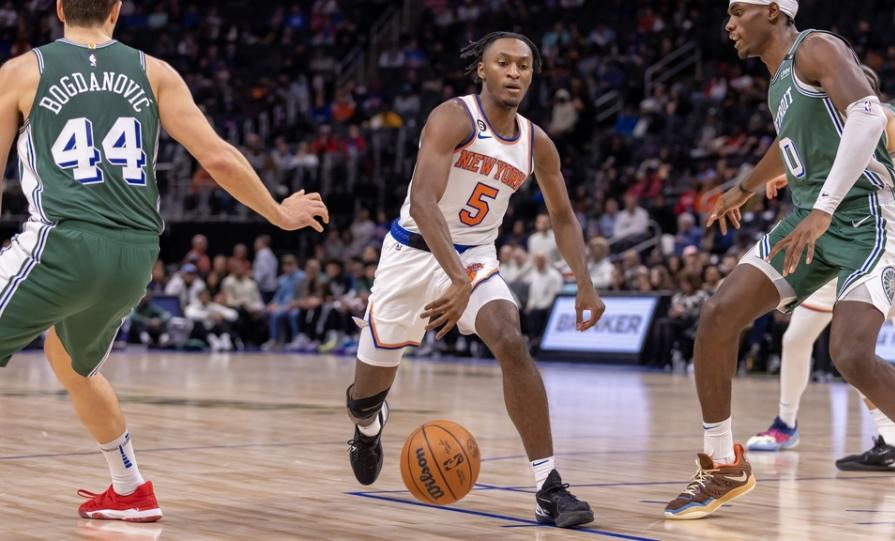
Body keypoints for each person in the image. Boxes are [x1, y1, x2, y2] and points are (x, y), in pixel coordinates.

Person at [0, 0, 328, 522]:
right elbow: (217, 156)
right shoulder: (154, 72)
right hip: (136, 254)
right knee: (71, 362)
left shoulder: (22, 71)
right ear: (117, 9)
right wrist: (278, 212)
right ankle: (130, 487)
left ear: (60, 8)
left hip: (64, 241)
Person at [664, 1, 895, 524]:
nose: (727, 23)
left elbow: (867, 115)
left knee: (849, 353)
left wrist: (823, 210)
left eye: (738, 11)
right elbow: (789, 144)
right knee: (717, 314)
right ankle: (724, 461)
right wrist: (744, 187)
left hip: (869, 219)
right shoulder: (778, 82)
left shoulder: (816, 46)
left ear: (773, 11)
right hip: (806, 220)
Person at [344, 31, 605, 528]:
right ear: (481, 70)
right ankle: (368, 426)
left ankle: (548, 486)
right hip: (410, 255)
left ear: (532, 74)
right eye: (502, 63)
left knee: (511, 339)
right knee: (364, 397)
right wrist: (454, 276)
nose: (513, 72)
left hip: (475, 257)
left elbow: (565, 217)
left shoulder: (536, 143)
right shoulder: (453, 117)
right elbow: (423, 200)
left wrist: (585, 282)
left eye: (523, 65)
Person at [747, 68, 895, 470]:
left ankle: (891, 435)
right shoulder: (863, 123)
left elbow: (842, 162)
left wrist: (784, 170)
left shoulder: (878, 116)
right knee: (851, 339)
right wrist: (783, 170)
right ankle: (887, 437)